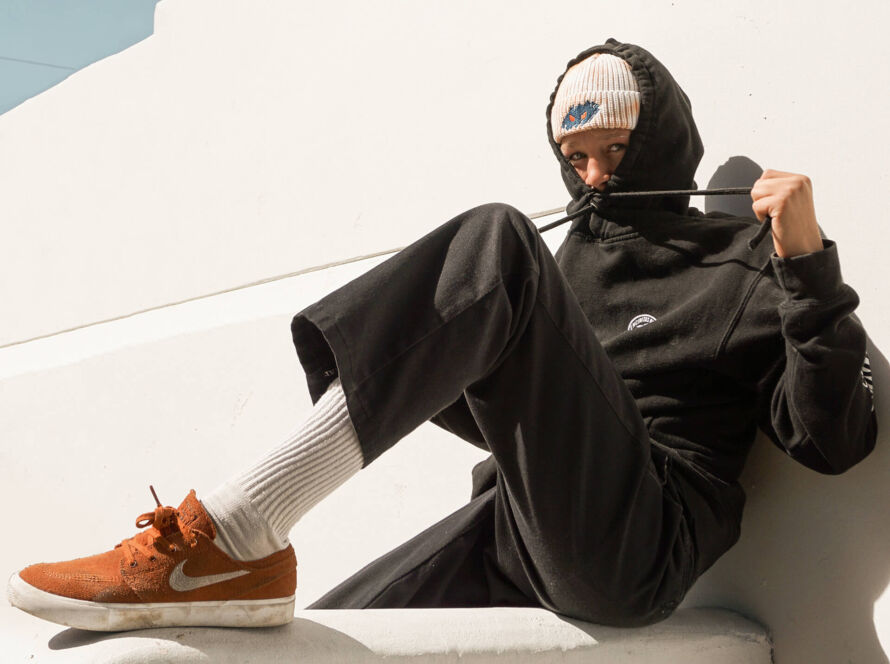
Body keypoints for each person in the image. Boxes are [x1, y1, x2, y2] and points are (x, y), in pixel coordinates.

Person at [7, 39, 877, 631]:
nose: (595, 178)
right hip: (518, 529)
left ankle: (234, 531)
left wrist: (807, 265)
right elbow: (520, 417)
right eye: (576, 159)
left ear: (663, 142)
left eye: (616, 152)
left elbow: (833, 439)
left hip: (639, 545)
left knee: (499, 239)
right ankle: (239, 553)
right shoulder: (565, 264)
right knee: (317, 637)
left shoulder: (738, 259)